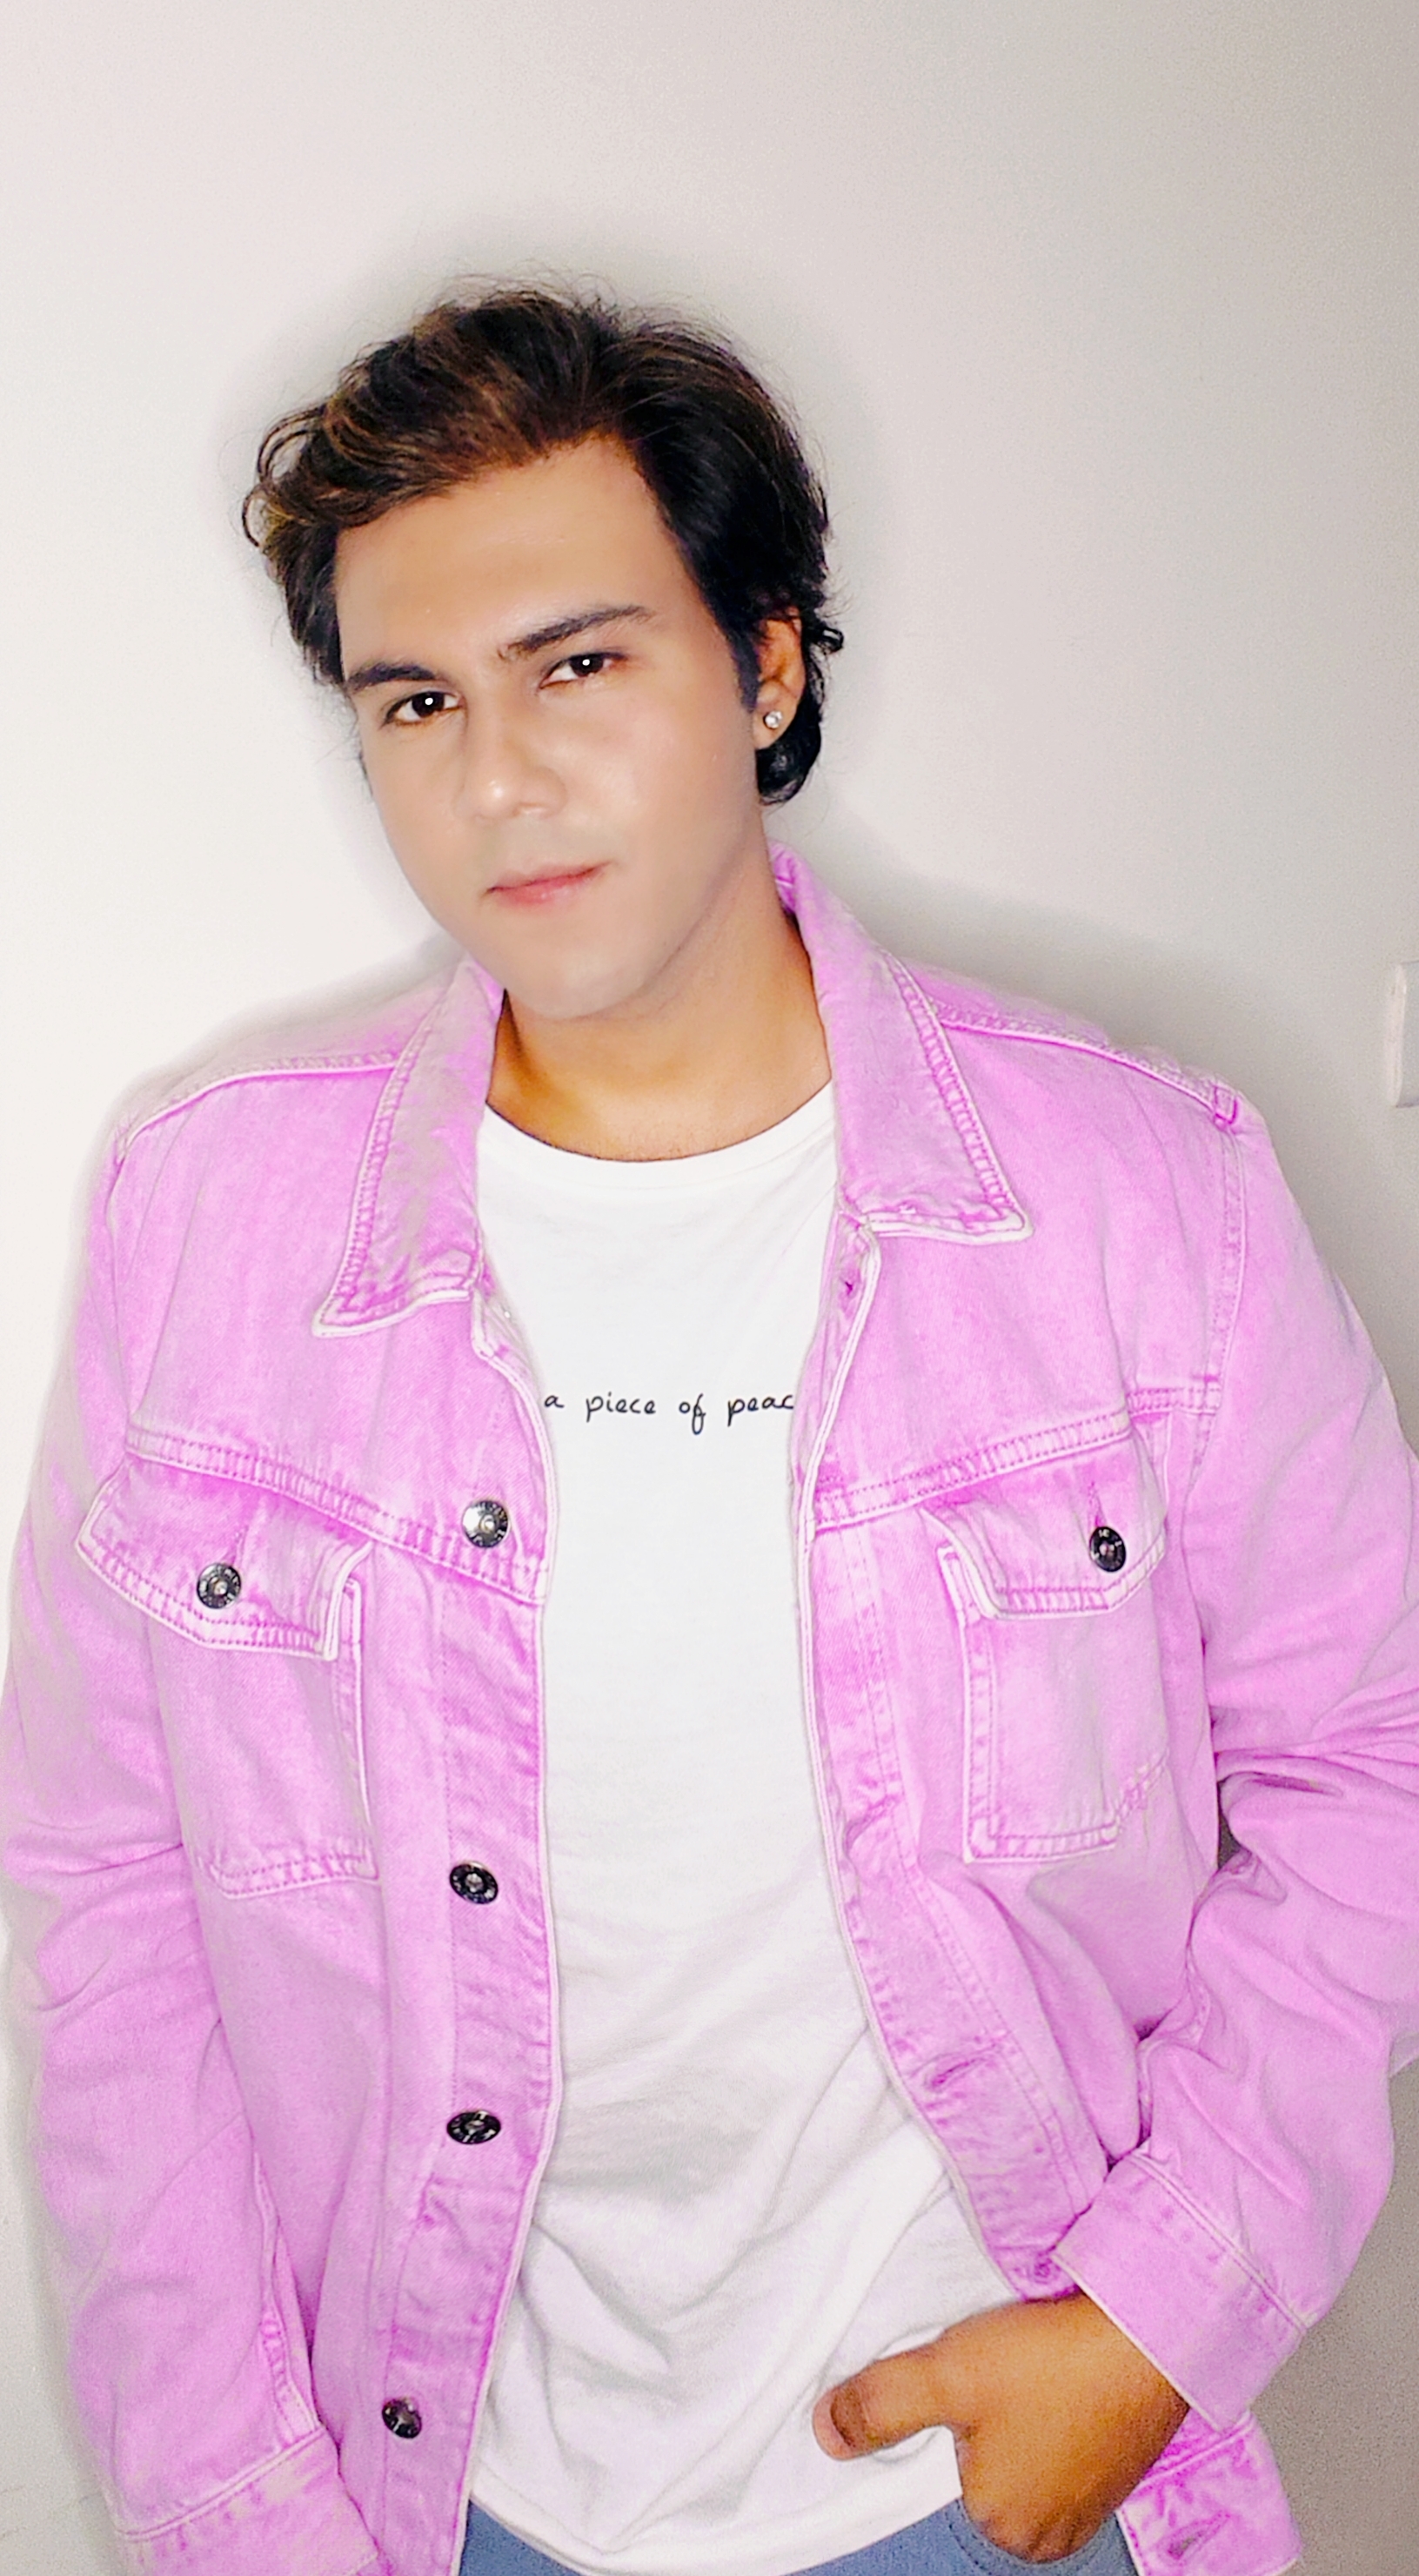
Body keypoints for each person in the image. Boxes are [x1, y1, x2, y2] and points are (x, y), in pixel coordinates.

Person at [4, 285, 1419, 2576]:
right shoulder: (209, 1223)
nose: (495, 779)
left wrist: (1154, 2326)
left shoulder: (1137, 1195)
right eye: (415, 701)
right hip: (420, 2499)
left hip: (989, 2483)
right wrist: (238, 2507)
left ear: (765, 667)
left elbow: (1381, 1765)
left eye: (576, 665)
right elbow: (106, 1895)